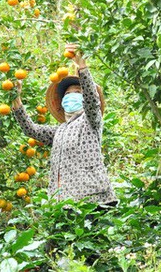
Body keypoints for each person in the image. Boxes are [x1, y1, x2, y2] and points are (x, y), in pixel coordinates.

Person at [11, 44, 117, 207]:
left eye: (76, 92)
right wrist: (16, 100)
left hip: (92, 200)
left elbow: (91, 101)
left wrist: (82, 67)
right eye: (67, 94)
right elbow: (31, 129)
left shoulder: (90, 121)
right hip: (64, 203)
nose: (71, 96)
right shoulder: (60, 130)